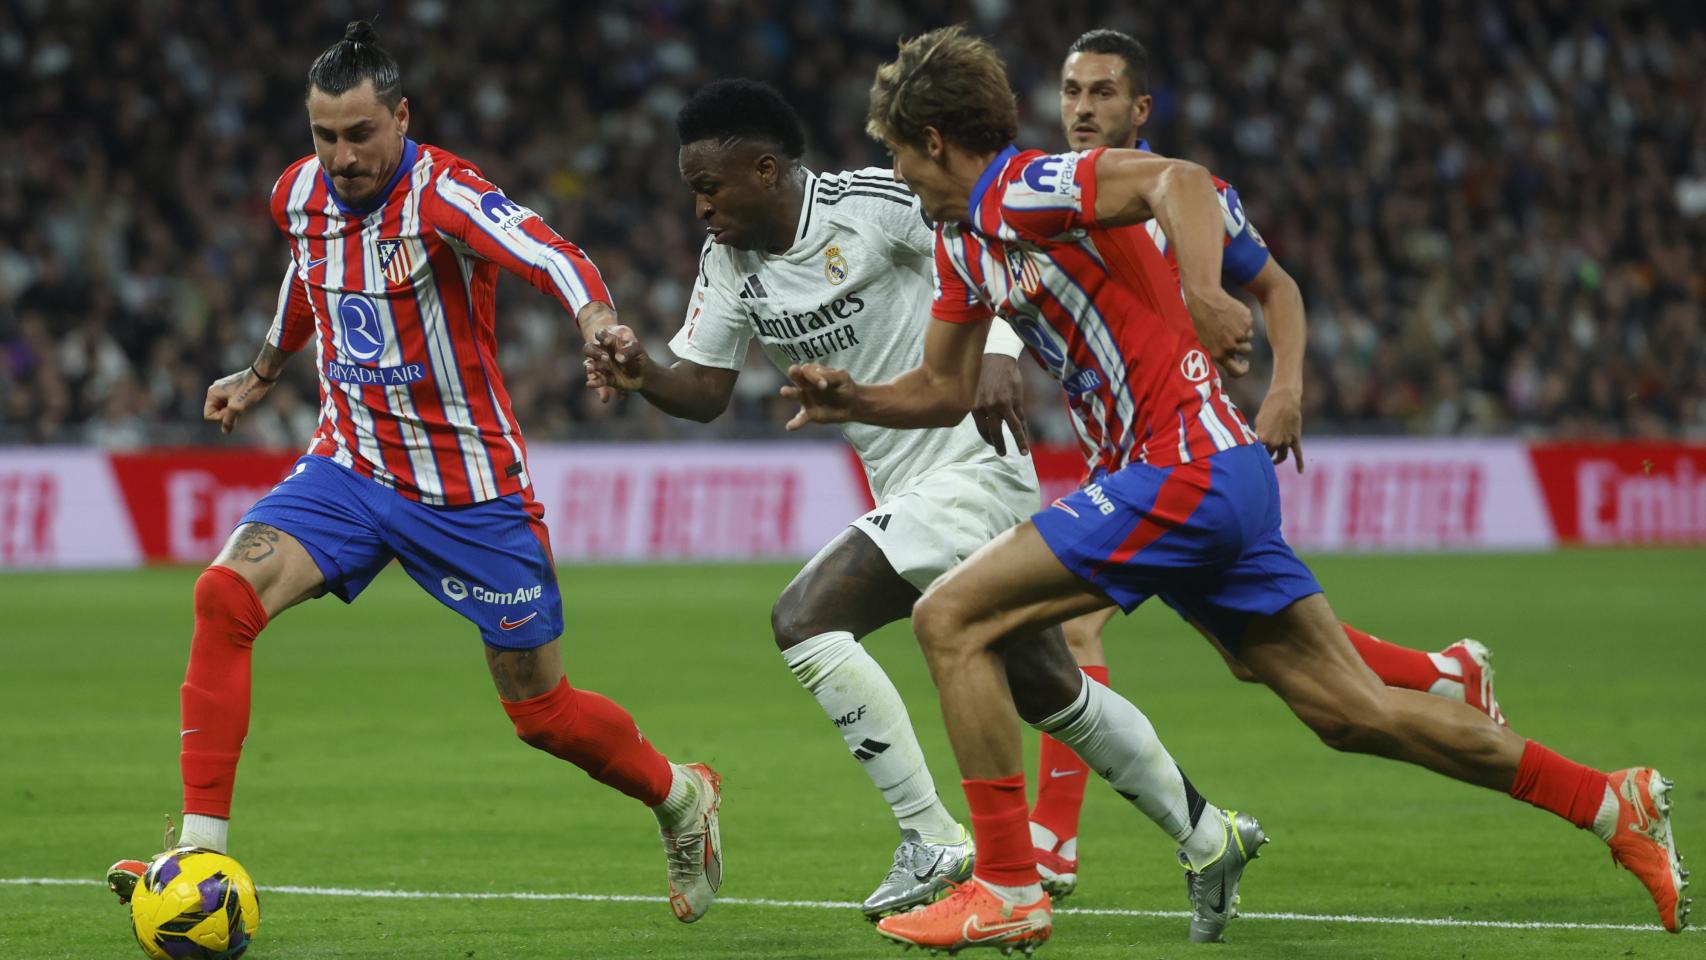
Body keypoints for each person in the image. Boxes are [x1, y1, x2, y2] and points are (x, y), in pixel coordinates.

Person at [785, 25, 1688, 953]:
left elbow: (1179, 181)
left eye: (901, 156)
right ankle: (1608, 802)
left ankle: (1012, 882)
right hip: (1203, 479)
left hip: (1182, 469)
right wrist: (853, 397)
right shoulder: (961, 243)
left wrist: (1207, 294)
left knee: (951, 617)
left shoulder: (1025, 186)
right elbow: (942, 388)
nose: (901, 178)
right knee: (1351, 714)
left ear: (934, 141)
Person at [584, 79, 1266, 937]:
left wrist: (1003, 351)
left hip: (972, 466)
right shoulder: (728, 264)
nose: (701, 208)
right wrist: (644, 374)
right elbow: (707, 390)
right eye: (693, 191)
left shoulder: (869, 203)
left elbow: (990, 243)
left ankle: (931, 837)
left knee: (804, 619)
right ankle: (1209, 835)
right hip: (905, 487)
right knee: (1047, 687)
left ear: (766, 170)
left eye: (710, 187)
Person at [104, 21, 724, 925]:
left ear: (402, 118)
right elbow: (309, 273)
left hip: (469, 490)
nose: (342, 157)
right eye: (325, 136)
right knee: (222, 597)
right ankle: (199, 857)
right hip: (349, 467)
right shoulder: (298, 195)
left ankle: (681, 795)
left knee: (541, 714)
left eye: (361, 134)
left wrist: (600, 325)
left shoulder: (445, 194)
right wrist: (264, 370)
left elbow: (553, 254)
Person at [1028, 27, 1506, 899]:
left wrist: (1287, 389)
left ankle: (1049, 844)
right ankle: (1443, 673)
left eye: (1102, 92)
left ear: (1140, 107)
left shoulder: (1195, 196)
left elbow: (1277, 287)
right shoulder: (1053, 198)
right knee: (1252, 657)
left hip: (1187, 459)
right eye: (1071, 91)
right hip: (1120, 458)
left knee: (1071, 628)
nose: (1082, 108)